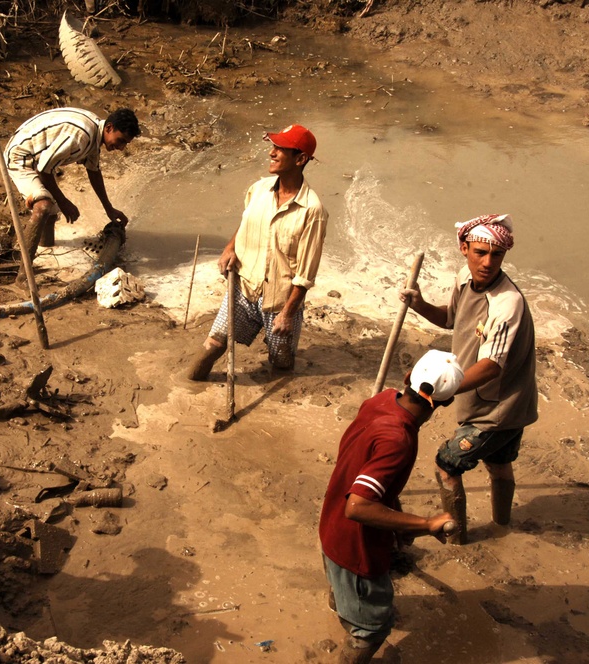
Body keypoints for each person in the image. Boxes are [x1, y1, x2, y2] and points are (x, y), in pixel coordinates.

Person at [399, 213, 538, 545]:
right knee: (498, 464)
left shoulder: (507, 304)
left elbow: (492, 366)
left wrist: (440, 387)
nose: (488, 262)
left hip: (498, 409)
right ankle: (503, 526)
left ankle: (457, 539)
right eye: (480, 252)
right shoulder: (464, 278)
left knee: (447, 465)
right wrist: (419, 305)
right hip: (485, 399)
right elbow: (451, 319)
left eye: (497, 255)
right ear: (464, 248)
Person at [319, 350, 463, 663]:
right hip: (356, 547)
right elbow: (357, 507)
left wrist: (399, 522)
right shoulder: (398, 438)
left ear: (409, 378)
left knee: (341, 585)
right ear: (446, 403)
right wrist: (425, 524)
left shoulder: (381, 401)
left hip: (330, 524)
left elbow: (369, 479)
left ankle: (343, 606)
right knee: (373, 628)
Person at [186, 124, 328, 380]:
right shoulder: (259, 189)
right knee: (212, 346)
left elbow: (305, 274)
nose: (271, 153)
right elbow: (247, 223)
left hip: (280, 300)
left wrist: (287, 314)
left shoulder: (312, 211)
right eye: (273, 147)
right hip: (243, 288)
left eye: (280, 149)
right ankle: (191, 383)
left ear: (300, 159)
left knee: (281, 363)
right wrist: (230, 248)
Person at [3, 106, 141, 255]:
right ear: (109, 128)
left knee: (51, 210)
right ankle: (24, 273)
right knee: (43, 206)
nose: (121, 148)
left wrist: (109, 209)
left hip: (38, 159)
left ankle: (45, 249)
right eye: (120, 141)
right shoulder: (82, 136)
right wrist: (63, 202)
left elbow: (94, 172)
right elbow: (43, 169)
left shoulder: (94, 136)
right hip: (21, 157)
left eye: (125, 143)